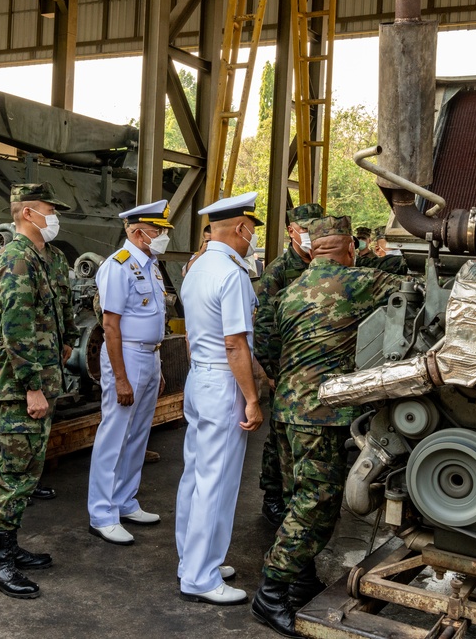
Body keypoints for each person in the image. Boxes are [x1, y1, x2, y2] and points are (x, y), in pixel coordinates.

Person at [251, 216, 404, 637]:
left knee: (296, 497)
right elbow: (414, 291)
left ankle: (300, 581)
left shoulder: (288, 291)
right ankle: (271, 593)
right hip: (322, 415)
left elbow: (266, 346)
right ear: (349, 248)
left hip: (286, 411)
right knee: (315, 505)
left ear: (314, 248)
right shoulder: (358, 282)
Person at [0, 182, 76, 598]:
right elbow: (10, 330)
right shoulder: (16, 260)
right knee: (15, 471)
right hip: (23, 386)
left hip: (44, 377)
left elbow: (62, 310)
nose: (54, 218)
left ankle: (11, 547)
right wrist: (32, 388)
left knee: (29, 466)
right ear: (26, 214)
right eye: (48, 210)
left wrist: (67, 341)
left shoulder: (49, 257)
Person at [176, 191, 264, 606]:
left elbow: (196, 334)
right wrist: (251, 397)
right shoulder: (233, 274)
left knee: (196, 473)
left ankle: (192, 558)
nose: (252, 241)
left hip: (200, 377)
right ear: (242, 228)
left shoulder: (197, 266)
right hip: (223, 381)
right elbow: (235, 343)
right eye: (252, 232)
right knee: (218, 480)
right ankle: (200, 576)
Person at [87, 200, 170, 546]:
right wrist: (120, 377)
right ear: (137, 232)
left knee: (137, 433)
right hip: (127, 356)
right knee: (115, 433)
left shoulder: (150, 265)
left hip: (149, 356)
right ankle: (102, 513)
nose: (162, 236)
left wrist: (158, 365)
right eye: (157, 231)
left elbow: (154, 319)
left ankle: (124, 500)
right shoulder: (118, 267)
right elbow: (110, 325)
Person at [253, 202, 323, 528]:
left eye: (316, 227)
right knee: (278, 435)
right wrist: (271, 372)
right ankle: (273, 498)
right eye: (305, 228)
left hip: (317, 366)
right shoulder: (279, 272)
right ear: (291, 231)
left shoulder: (324, 265)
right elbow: (264, 327)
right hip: (286, 368)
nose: (311, 234)